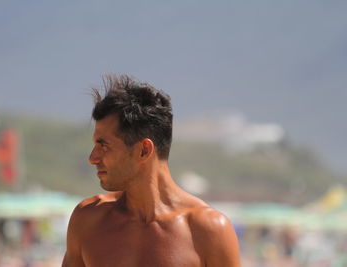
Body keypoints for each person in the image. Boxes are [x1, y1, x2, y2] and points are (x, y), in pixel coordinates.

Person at [62, 74, 240, 267]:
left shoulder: (208, 231)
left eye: (104, 146)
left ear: (144, 150)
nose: (92, 158)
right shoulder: (89, 220)